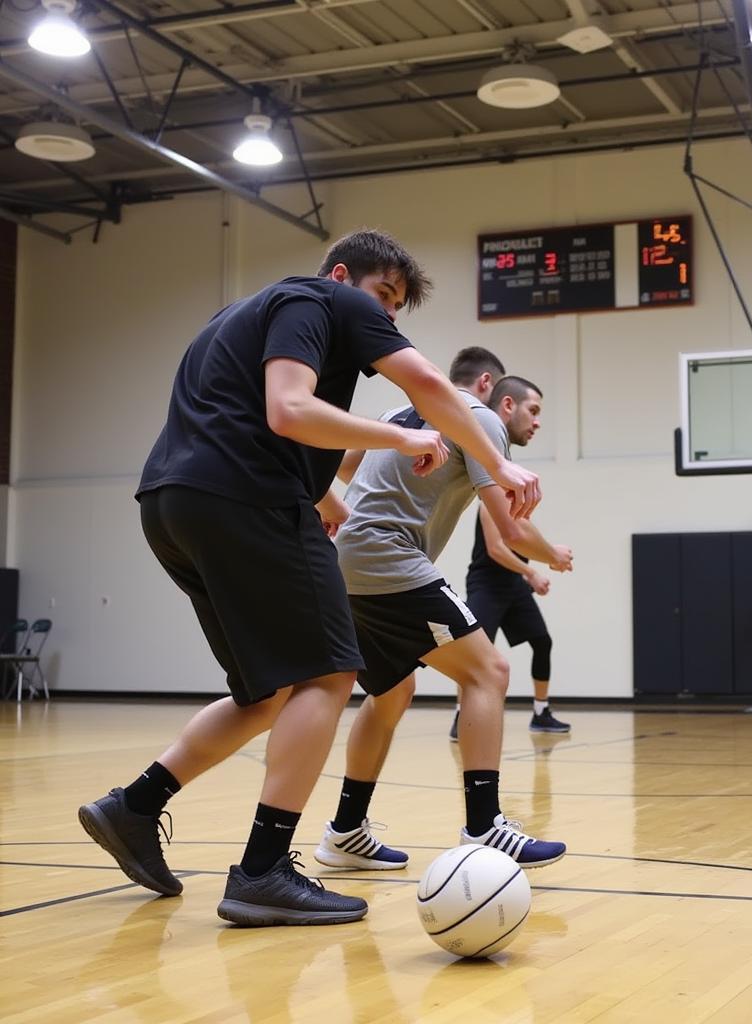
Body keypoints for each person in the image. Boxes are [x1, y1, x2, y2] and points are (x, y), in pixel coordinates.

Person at [77, 230, 540, 927]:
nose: (384, 318)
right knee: (328, 676)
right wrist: (471, 457)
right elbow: (311, 406)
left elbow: (252, 423)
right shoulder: (326, 300)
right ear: (344, 274)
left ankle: (133, 806)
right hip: (246, 501)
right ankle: (263, 871)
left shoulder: (236, 317)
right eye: (383, 298)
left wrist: (326, 499)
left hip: (172, 504)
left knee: (266, 693)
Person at [314, 364, 572, 873]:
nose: (535, 422)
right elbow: (512, 531)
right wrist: (553, 555)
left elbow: (346, 468)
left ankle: (345, 831)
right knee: (489, 671)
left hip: (345, 561)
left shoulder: (397, 413)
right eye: (532, 410)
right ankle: (484, 825)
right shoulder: (480, 420)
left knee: (392, 691)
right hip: (387, 555)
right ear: (493, 393)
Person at [450, 496, 572, 740]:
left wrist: (538, 566)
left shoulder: (518, 507)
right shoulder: (489, 501)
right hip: (486, 585)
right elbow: (496, 549)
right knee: (473, 651)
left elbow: (525, 540)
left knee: (542, 642)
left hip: (513, 584)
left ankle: (541, 712)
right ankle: (462, 714)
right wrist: (532, 573)